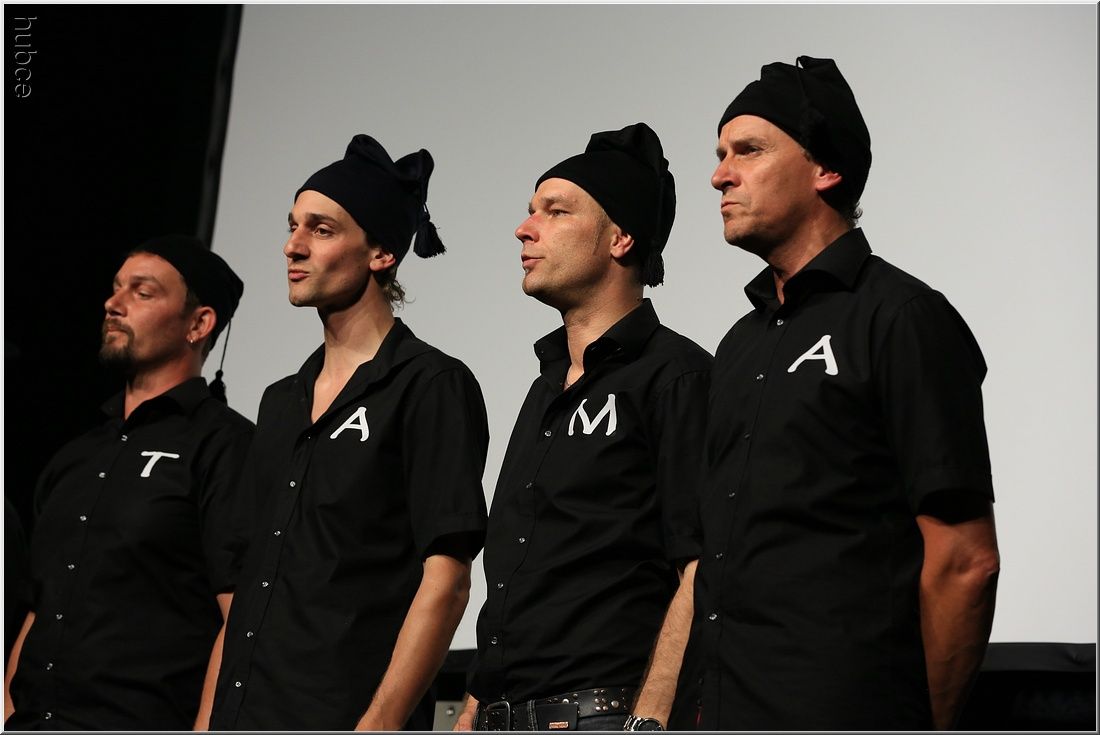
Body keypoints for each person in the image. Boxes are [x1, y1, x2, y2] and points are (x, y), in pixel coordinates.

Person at [680, 55, 1001, 730]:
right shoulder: (738, 345)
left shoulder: (902, 316)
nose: (719, 175)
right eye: (720, 155)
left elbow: (964, 559)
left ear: (826, 169)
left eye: (748, 150)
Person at [207, 134, 489, 731]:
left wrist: (380, 723)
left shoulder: (428, 385)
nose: (293, 245)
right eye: (292, 226)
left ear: (381, 252)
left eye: (322, 229)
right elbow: (245, 589)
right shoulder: (280, 401)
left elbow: (447, 579)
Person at [455, 122, 712, 732]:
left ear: (620, 238)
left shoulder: (676, 376)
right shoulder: (545, 386)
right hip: (501, 717)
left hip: (603, 715)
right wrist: (471, 708)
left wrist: (651, 717)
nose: (525, 228)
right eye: (530, 210)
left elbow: (702, 563)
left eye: (556, 211)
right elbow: (520, 567)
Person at [4, 235, 253, 730]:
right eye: (116, 288)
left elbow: (242, 616)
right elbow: (39, 605)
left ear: (198, 324)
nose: (113, 304)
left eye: (142, 292)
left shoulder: (225, 446)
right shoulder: (75, 457)